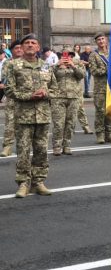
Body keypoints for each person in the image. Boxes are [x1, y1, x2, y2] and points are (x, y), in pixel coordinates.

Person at [5, 34, 58, 198]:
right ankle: (23, 183)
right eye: (26, 43)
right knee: (23, 150)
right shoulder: (13, 65)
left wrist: (46, 93)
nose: (29, 45)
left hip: (42, 115)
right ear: (21, 47)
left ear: (38, 47)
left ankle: (38, 182)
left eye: (33, 43)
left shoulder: (46, 66)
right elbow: (8, 90)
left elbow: (55, 89)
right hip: (23, 116)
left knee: (41, 150)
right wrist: (30, 96)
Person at [89, 32, 111, 144]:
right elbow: (94, 71)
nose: (101, 41)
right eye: (99, 40)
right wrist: (106, 70)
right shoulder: (93, 55)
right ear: (96, 42)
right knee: (100, 111)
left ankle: (109, 133)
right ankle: (100, 134)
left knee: (109, 111)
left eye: (103, 39)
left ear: (106, 40)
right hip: (100, 89)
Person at [0, 40, 23, 157]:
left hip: (27, 98)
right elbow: (5, 78)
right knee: (10, 123)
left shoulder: (30, 62)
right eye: (16, 48)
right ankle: (7, 147)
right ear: (12, 50)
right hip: (12, 97)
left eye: (20, 48)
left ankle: (23, 147)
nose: (19, 50)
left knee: (25, 125)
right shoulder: (7, 63)